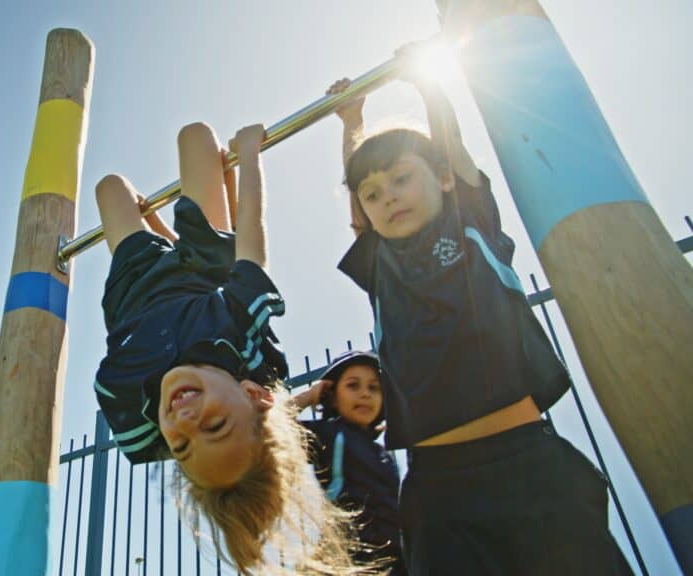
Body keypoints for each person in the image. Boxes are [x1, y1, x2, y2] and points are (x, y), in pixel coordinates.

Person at [325, 52, 634, 575]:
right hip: (439, 487)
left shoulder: (469, 223)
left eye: (401, 179)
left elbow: (451, 146)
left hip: (526, 461)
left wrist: (426, 87)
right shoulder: (380, 265)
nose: (388, 198)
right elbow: (357, 192)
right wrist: (350, 122)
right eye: (375, 195)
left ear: (442, 179)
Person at [94, 122, 354, 574]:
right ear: (254, 395)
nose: (186, 424)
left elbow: (129, 349)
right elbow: (251, 235)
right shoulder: (242, 342)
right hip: (203, 262)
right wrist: (249, 156)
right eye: (214, 424)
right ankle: (216, 161)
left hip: (134, 287)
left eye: (181, 446)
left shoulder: (131, 412)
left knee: (109, 188)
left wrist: (151, 229)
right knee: (194, 136)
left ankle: (181, 199)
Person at [295, 350, 404, 575]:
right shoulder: (331, 434)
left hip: (397, 562)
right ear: (333, 396)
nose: (365, 394)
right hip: (351, 559)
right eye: (353, 386)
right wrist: (307, 397)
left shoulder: (382, 452)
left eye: (374, 388)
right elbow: (270, 426)